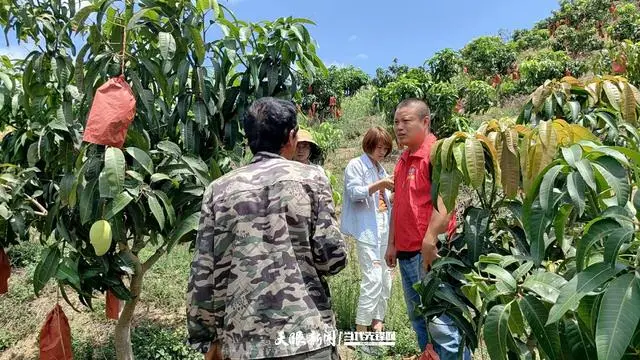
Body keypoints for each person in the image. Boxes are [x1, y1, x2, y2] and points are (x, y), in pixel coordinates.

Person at [186, 97, 347, 360]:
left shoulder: (218, 190)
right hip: (306, 338)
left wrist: (207, 339)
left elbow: (204, 274)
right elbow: (333, 260)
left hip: (244, 343)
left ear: (249, 138)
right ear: (292, 136)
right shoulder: (312, 179)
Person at [384, 99, 470, 360]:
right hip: (407, 253)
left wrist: (431, 239)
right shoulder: (404, 159)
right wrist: (392, 243)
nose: (399, 127)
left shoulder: (436, 154)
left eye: (406, 121)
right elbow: (398, 203)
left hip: (429, 252)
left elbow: (446, 199)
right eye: (396, 121)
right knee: (420, 319)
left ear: (425, 122)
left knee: (441, 324)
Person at [340, 127, 394, 335]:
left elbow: (382, 201)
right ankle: (361, 326)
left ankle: (378, 321)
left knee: (386, 276)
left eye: (385, 148)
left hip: (383, 228)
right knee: (372, 277)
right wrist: (381, 184)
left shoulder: (380, 168)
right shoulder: (356, 165)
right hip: (367, 231)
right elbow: (355, 193)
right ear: (369, 145)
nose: (382, 152)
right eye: (378, 147)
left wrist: (391, 194)